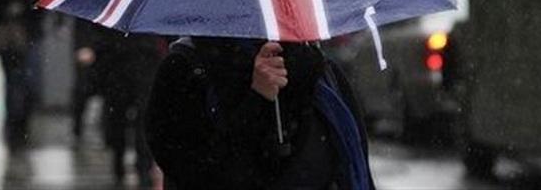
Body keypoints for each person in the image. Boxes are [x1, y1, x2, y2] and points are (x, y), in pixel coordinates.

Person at [146, 37, 376, 190]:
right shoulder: (186, 70)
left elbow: (354, 167)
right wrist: (257, 100)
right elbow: (197, 171)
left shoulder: (320, 71)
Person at [75, 21, 164, 186]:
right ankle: (125, 164)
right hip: (121, 64)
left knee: (139, 119)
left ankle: (140, 167)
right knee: (120, 118)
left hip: (138, 63)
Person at [0, 0, 45, 150]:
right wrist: (10, 5)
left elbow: (40, 8)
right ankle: (13, 122)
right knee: (12, 82)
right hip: (8, 42)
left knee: (30, 83)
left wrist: (24, 6)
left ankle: (23, 121)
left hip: (29, 39)